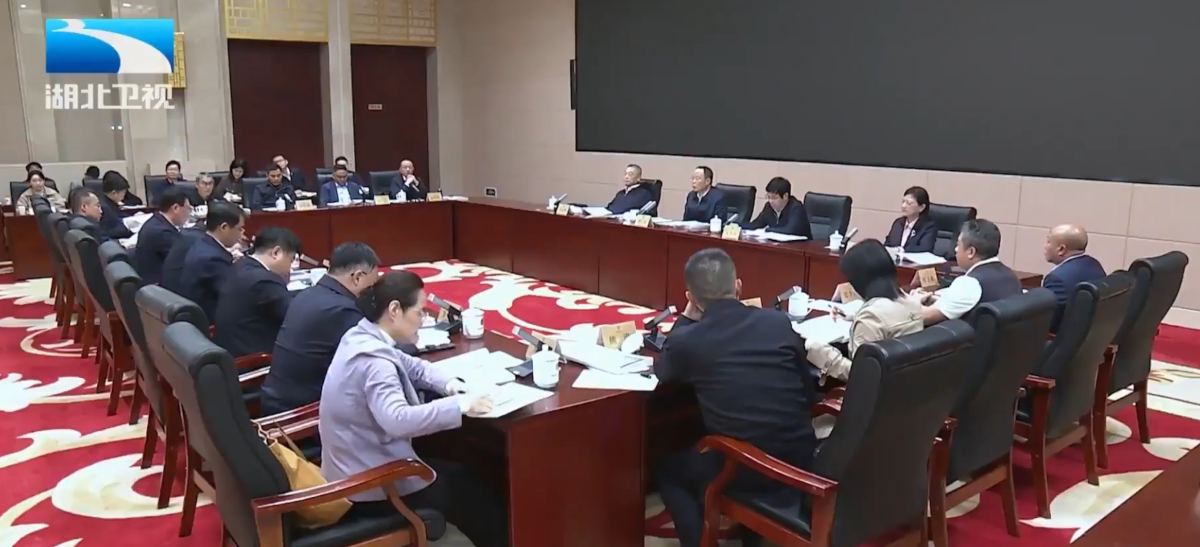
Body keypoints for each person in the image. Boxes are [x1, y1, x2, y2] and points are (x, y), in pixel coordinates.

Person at [319, 271, 509, 547]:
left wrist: (451, 385)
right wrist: (460, 404)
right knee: (476, 492)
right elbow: (398, 420)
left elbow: (413, 367)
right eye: (419, 312)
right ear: (395, 310)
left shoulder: (360, 335)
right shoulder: (375, 363)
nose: (423, 320)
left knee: (464, 472)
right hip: (371, 487)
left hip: (354, 465)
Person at [655, 248, 817, 547]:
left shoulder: (690, 340)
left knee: (668, 472)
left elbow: (664, 371)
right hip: (802, 456)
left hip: (746, 469)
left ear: (690, 297)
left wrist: (686, 318)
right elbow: (808, 390)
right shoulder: (777, 322)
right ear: (738, 286)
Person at [261, 242, 381, 414]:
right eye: (371, 286)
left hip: (275, 398)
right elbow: (379, 352)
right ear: (358, 277)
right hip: (302, 410)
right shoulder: (342, 310)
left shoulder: (307, 294)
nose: (371, 292)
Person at [805, 239, 923, 382]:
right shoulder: (913, 303)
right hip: (904, 383)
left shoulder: (870, 317)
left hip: (875, 391)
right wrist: (852, 316)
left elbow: (860, 375)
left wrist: (820, 352)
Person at [913, 219, 1022, 325]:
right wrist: (934, 298)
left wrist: (913, 302)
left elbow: (923, 317)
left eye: (958, 245)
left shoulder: (970, 283)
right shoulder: (1011, 276)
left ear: (971, 252)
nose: (955, 249)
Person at [214, 226, 300, 358]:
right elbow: (296, 317)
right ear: (276, 253)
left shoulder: (241, 265)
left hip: (231, 348)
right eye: (291, 259)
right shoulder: (264, 280)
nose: (290, 268)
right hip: (254, 359)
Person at [177, 201, 245, 320]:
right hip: (211, 321)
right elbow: (237, 294)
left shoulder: (203, 243)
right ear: (224, 227)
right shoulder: (212, 259)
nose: (242, 233)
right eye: (239, 229)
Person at [1042, 224, 1106, 332]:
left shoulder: (1057, 279)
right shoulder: (1094, 264)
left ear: (1061, 249)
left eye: (1048, 242)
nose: (1045, 246)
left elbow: (1047, 322)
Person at [134, 186, 190, 285]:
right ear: (176, 208)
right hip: (159, 286)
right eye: (187, 208)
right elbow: (187, 259)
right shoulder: (163, 233)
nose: (189, 213)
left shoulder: (157, 221)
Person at [742, 177, 812, 237]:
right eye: (768, 197)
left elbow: (790, 230)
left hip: (800, 246)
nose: (770, 201)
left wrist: (767, 230)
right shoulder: (768, 207)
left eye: (774, 198)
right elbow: (755, 225)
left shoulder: (796, 208)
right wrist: (738, 227)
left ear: (785, 196)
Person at [883, 186, 937, 253]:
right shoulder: (898, 223)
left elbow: (924, 250)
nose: (903, 206)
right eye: (903, 202)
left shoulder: (929, 227)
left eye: (909, 203)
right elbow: (887, 245)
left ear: (921, 207)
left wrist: (899, 250)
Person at [98, 171, 135, 240]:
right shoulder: (105, 208)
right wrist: (129, 227)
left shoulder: (109, 202)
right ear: (114, 193)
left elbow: (118, 216)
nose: (124, 196)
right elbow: (110, 231)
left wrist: (134, 217)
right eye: (123, 193)